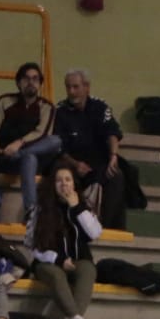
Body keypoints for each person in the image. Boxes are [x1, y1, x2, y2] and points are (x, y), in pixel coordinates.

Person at [30, 164, 103, 319]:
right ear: (52, 185)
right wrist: (59, 260)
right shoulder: (40, 208)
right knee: (56, 275)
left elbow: (94, 233)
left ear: (74, 184)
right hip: (47, 262)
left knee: (89, 270)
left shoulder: (83, 207)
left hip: (78, 260)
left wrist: (76, 208)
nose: (64, 184)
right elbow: (33, 246)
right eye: (59, 180)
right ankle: (76, 317)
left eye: (68, 180)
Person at [51, 69, 126, 229]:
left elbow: (112, 132)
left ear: (87, 87)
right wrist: (75, 164)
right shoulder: (60, 111)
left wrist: (114, 155)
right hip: (70, 164)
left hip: (98, 164)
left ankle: (106, 228)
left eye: (76, 87)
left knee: (116, 176)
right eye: (68, 87)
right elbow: (58, 146)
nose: (72, 92)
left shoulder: (100, 107)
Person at [0, 62, 57, 223]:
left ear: (40, 83)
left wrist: (19, 144)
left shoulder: (46, 107)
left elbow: (42, 133)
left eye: (35, 79)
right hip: (5, 156)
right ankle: (32, 211)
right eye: (26, 78)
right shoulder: (5, 100)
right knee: (29, 158)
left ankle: (31, 211)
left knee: (53, 142)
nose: (31, 82)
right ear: (18, 82)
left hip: (28, 156)